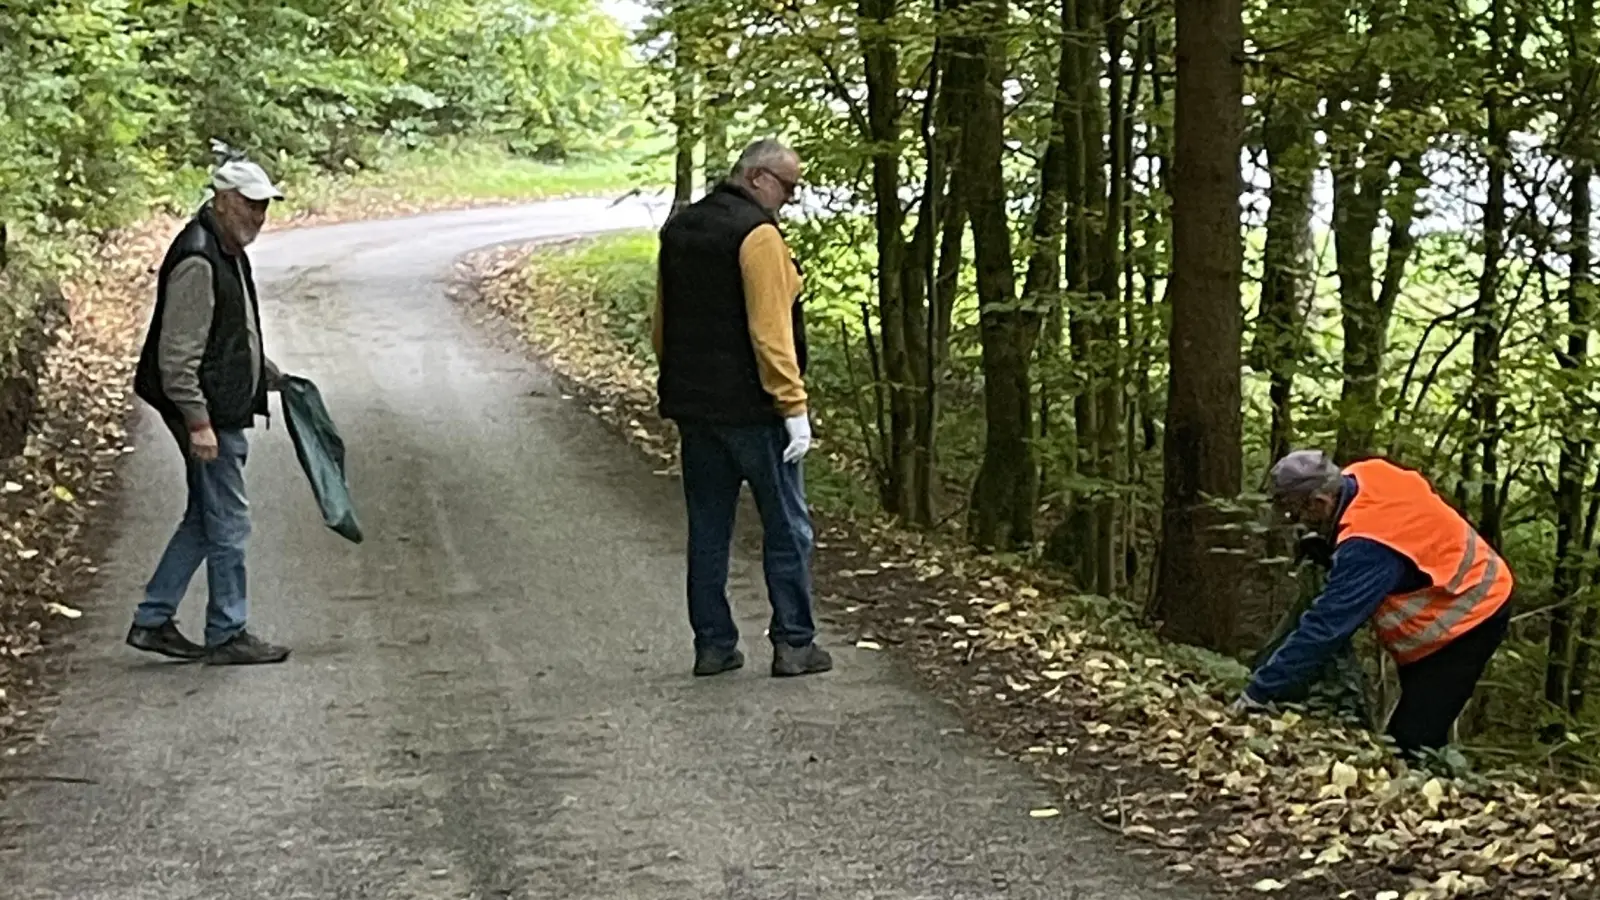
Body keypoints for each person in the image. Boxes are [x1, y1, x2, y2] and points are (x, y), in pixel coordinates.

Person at [651, 138, 831, 679]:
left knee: (708, 529)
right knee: (788, 528)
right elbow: (770, 332)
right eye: (787, 186)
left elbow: (662, 324)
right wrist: (792, 406)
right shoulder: (757, 237)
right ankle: (795, 643)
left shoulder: (680, 229)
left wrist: (679, 379)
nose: (789, 199)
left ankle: (713, 644)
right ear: (757, 177)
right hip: (755, 413)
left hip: (695, 409)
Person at [1233, 450, 1514, 755]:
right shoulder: (1366, 473)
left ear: (1320, 502)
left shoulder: (1368, 548)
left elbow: (1324, 629)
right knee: (1415, 728)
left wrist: (1259, 694)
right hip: (1450, 593)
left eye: (1298, 515)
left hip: (1472, 615)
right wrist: (1331, 549)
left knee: (1411, 741)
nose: (1297, 524)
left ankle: (1432, 791)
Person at [126, 151, 293, 665]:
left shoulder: (225, 249)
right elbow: (177, 356)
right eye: (249, 205)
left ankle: (153, 620)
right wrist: (198, 423)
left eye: (264, 207)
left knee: (205, 517)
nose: (258, 217)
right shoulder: (199, 258)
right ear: (221, 201)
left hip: (217, 408)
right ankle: (227, 631)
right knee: (230, 522)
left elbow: (229, 331)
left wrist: (265, 372)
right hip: (205, 415)